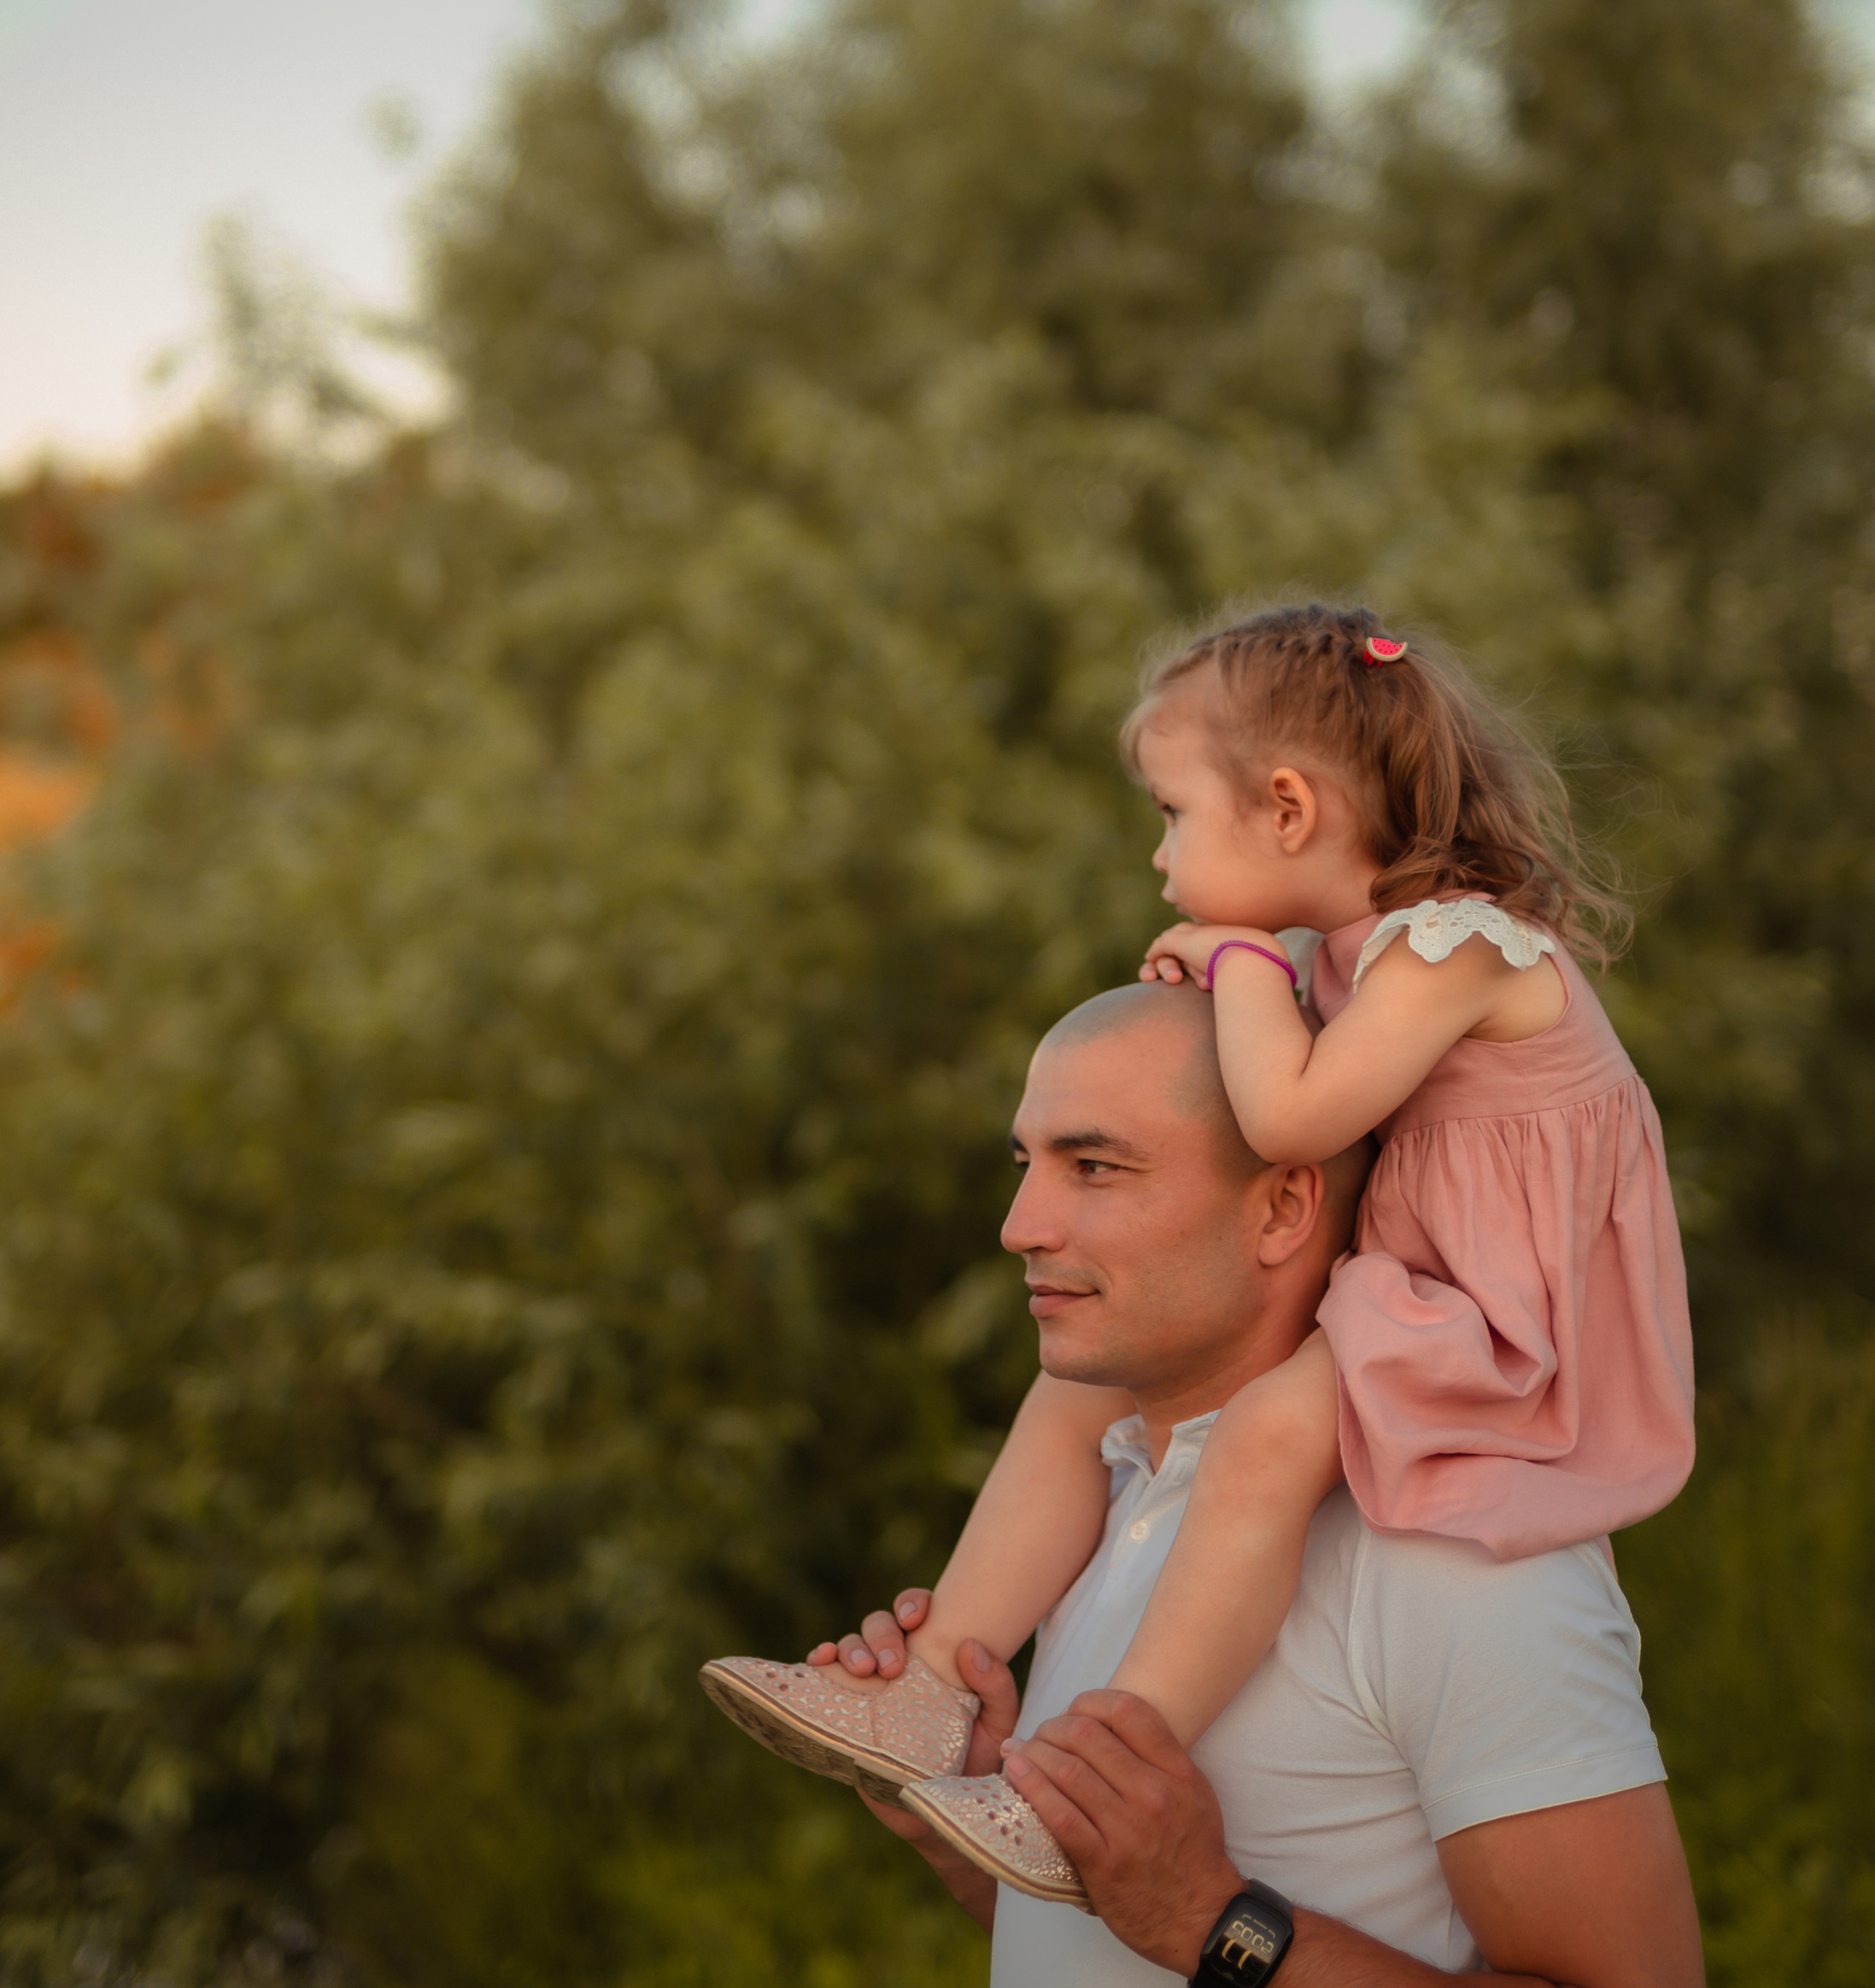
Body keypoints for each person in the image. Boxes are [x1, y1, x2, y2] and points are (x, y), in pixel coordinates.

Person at [701, 603, 1695, 1902]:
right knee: (1086, 1380)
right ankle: (933, 1689)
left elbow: (1289, 1119)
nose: (1160, 856)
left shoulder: (1457, 945)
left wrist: (1236, 961)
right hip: (1408, 1288)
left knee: (1276, 1435)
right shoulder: (1349, 958)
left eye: (1172, 813)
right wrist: (1251, 971)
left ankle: (1102, 1770)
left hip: (1504, 1323)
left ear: (1288, 808)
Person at [847, 982, 1707, 1988]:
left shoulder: (1456, 1561)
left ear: (1283, 1212)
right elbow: (1123, 1950)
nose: (1021, 1227)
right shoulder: (1108, 1506)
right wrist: (974, 1831)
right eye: (1027, 1166)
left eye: (1096, 1168)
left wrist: (1214, 1919)